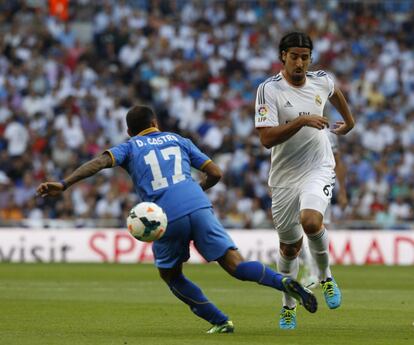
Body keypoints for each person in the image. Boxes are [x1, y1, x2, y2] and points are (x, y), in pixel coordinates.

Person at [37, 105, 317, 334]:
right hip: (198, 203)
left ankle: (221, 321)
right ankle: (283, 282)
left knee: (171, 275)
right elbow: (216, 173)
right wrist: (194, 191)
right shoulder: (178, 140)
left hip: (165, 215)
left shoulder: (130, 146)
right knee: (236, 265)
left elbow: (99, 162)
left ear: (129, 130)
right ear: (155, 122)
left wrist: (64, 183)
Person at [254, 32, 355, 329]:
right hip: (285, 176)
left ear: (310, 59)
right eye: (294, 56)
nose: (300, 62)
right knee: (289, 248)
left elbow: (334, 92)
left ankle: (325, 277)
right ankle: (288, 306)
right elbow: (265, 139)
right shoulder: (268, 90)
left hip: (318, 167)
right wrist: (301, 120)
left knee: (311, 221)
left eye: (305, 57)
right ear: (283, 56)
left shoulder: (321, 80)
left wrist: (349, 122)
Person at [300, 131, 348, 289]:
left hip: (319, 184)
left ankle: (317, 272)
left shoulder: (328, 134)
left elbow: (338, 162)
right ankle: (312, 269)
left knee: (316, 226)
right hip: (295, 183)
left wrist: (342, 191)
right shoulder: (290, 125)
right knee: (296, 230)